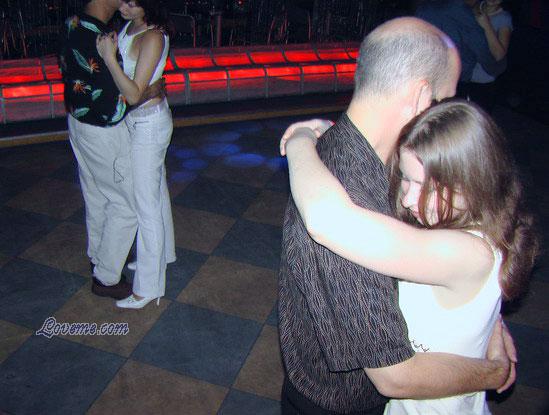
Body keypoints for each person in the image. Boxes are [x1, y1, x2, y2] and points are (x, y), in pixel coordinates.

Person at [278, 17, 517, 415]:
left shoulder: (398, 168)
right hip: (345, 406)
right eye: (444, 100)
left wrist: (485, 319)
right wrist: (492, 371)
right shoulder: (348, 194)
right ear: (422, 96)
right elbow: (394, 375)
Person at [59, 0, 163, 300]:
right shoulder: (101, 38)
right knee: (126, 204)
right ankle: (105, 277)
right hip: (103, 131)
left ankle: (99, 256)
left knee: (96, 195)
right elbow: (118, 100)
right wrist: (152, 90)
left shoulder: (73, 23)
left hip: (77, 122)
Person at [97, 0, 176, 309]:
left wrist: (109, 58)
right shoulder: (131, 26)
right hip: (139, 122)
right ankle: (160, 255)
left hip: (149, 126)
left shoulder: (153, 36)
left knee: (146, 206)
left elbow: (132, 93)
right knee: (155, 193)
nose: (123, 5)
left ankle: (148, 288)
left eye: (132, 2)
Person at [415, 0, 507, 85]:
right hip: (450, 70)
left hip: (432, 68)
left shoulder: (503, 17)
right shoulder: (465, 13)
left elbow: (497, 57)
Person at [467, 0, 513, 111]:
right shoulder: (472, 8)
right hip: (462, 74)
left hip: (482, 79)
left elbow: (499, 55)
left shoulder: (504, 18)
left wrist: (486, 25)